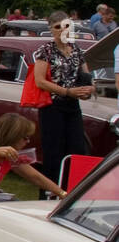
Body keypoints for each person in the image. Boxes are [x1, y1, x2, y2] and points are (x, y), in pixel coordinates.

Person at [33, 10, 94, 189]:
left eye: (66, 26)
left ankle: (72, 189)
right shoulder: (46, 51)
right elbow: (40, 81)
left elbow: (86, 75)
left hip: (72, 106)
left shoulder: (76, 50)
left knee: (77, 148)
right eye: (57, 27)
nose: (62, 30)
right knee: (53, 152)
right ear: (51, 30)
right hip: (52, 106)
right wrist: (67, 91)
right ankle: (50, 191)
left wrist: (88, 89)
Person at [0, 113, 67, 199]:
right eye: (25, 138)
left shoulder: (9, 154)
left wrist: (61, 193)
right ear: (13, 135)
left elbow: (36, 177)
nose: (28, 142)